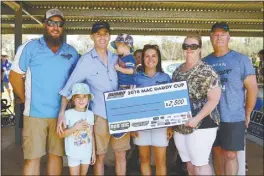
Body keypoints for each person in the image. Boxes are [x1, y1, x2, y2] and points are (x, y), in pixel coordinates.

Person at [9, 9, 79, 175]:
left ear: (63, 27)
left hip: (61, 115)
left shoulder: (72, 52)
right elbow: (14, 76)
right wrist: (26, 99)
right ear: (44, 24)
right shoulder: (29, 47)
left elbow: (77, 82)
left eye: (59, 24)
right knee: (32, 158)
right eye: (51, 23)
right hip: (35, 114)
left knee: (56, 156)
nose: (55, 27)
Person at [57, 21, 130, 175]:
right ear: (92, 36)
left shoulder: (116, 58)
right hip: (99, 115)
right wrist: (62, 113)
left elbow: (131, 79)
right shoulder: (85, 61)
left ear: (109, 36)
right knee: (100, 156)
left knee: (121, 154)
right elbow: (69, 87)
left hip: (120, 114)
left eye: (105, 34)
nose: (102, 37)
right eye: (98, 34)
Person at [204, 22, 258, 175]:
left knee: (230, 154)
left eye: (223, 33)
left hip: (233, 116)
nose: (219, 36)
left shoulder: (241, 60)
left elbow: (252, 88)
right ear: (211, 37)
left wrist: (247, 113)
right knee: (216, 153)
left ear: (229, 37)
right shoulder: (205, 62)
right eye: (215, 33)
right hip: (211, 117)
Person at [171, 33, 221, 175]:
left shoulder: (207, 71)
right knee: (189, 164)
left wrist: (196, 119)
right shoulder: (177, 71)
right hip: (180, 125)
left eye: (193, 46)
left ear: (200, 49)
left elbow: (214, 99)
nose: (189, 49)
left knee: (200, 164)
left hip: (203, 124)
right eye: (186, 46)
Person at [131, 44, 174, 175]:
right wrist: (132, 126)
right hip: (141, 124)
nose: (150, 59)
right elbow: (131, 103)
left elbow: (170, 103)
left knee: (160, 161)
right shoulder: (135, 78)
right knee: (144, 159)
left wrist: (170, 125)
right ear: (143, 59)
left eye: (154, 56)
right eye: (147, 56)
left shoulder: (165, 78)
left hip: (161, 124)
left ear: (158, 58)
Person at [58, 83, 96, 176]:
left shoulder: (90, 114)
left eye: (84, 96)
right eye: (78, 97)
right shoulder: (68, 114)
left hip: (86, 153)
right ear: (73, 99)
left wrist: (93, 153)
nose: (81, 100)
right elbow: (61, 134)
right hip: (73, 153)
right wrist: (75, 128)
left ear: (88, 99)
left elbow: (91, 134)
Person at [110, 33, 136, 138]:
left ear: (126, 46)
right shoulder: (121, 58)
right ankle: (119, 127)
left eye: (118, 46)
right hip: (121, 85)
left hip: (128, 86)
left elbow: (131, 71)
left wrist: (119, 69)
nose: (116, 48)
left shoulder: (130, 58)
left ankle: (124, 127)